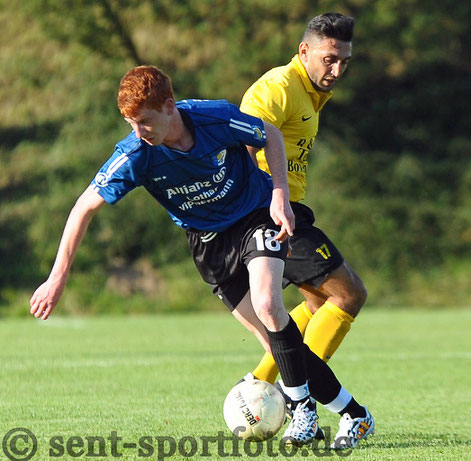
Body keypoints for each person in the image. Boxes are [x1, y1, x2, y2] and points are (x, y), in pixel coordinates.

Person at [30, 65, 372, 448]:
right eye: (130, 123)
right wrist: (57, 277)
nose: (137, 132)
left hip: (255, 216)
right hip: (209, 245)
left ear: (169, 107)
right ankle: (354, 413)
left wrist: (279, 193)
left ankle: (302, 409)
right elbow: (83, 208)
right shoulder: (135, 155)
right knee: (275, 342)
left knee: (269, 306)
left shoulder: (214, 117)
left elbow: (269, 134)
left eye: (143, 121)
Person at [239, 12, 373, 446]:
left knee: (318, 302)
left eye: (344, 61)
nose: (336, 70)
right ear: (304, 52)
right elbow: (238, 136)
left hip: (284, 209)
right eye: (329, 58)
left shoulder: (312, 92)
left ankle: (257, 386)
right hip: (270, 210)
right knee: (348, 294)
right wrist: (268, 199)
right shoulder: (278, 86)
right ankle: (304, 398)